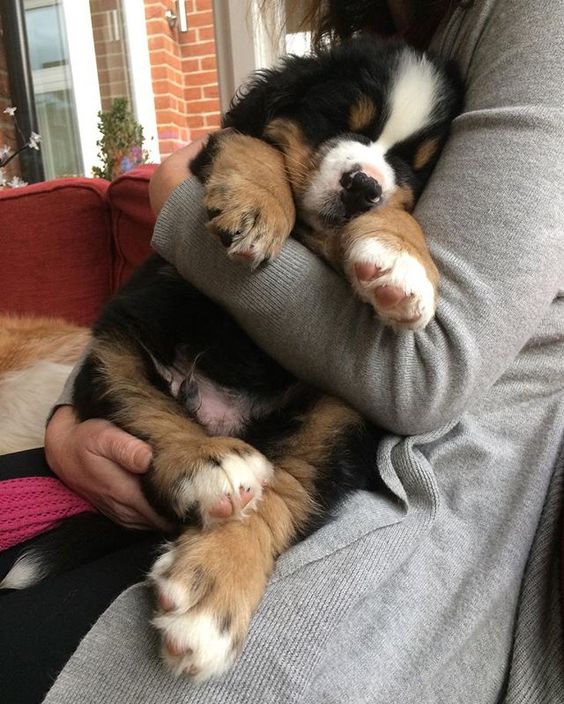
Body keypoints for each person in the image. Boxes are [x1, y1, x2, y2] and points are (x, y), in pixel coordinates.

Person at [16, 0, 564, 701]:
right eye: (345, 128)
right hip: (189, 426)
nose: (372, 173)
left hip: (428, 496)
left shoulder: (536, 25)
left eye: (406, 167)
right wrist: (68, 425)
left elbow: (424, 374)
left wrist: (177, 197)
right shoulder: (368, 46)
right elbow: (233, 159)